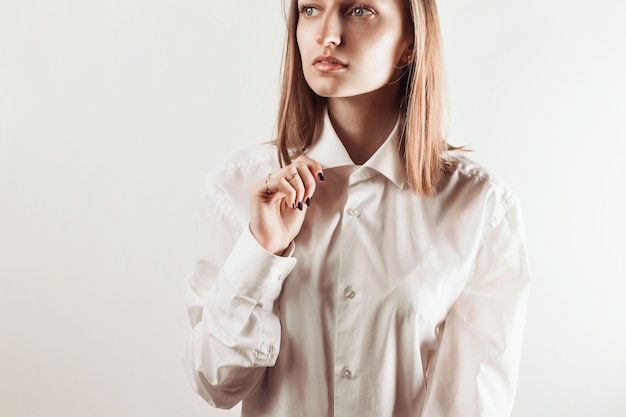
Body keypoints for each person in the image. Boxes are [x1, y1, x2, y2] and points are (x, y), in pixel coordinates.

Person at [183, 0, 530, 416]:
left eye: (359, 11)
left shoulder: (480, 207)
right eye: (310, 9)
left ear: (410, 42)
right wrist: (262, 250)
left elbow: (473, 405)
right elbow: (216, 383)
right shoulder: (237, 188)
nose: (326, 34)